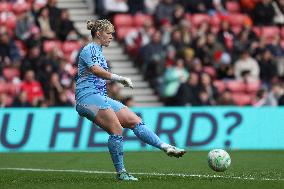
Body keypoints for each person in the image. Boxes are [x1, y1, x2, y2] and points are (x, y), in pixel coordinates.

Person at [75, 19, 186, 181]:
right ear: (98, 33)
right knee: (116, 129)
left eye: (112, 33)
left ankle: (165, 146)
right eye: (108, 33)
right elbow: (96, 71)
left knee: (134, 120)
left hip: (99, 96)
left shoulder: (98, 50)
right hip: (87, 99)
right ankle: (122, 173)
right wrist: (119, 78)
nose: (111, 36)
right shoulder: (89, 49)